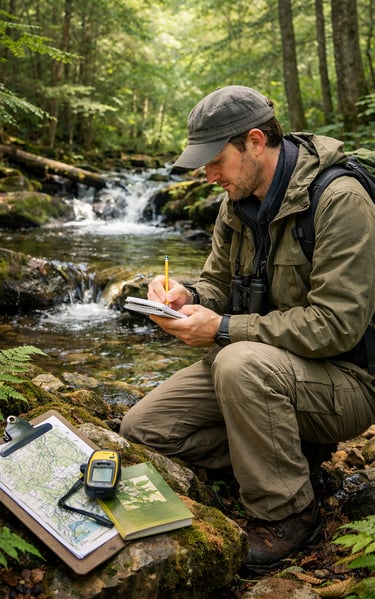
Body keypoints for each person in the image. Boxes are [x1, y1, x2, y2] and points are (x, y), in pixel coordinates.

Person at [121, 85, 375, 568]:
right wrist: (187, 298)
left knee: (237, 361)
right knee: (145, 430)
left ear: (255, 141)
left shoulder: (340, 200)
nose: (207, 173)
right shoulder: (234, 205)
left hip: (347, 381)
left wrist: (221, 330)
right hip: (264, 371)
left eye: (214, 159)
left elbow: (337, 325)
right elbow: (217, 287)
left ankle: (289, 514)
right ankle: (288, 460)